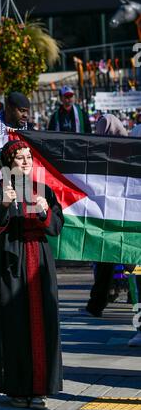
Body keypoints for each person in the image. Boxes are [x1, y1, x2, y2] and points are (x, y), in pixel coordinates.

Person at [0, 139, 64, 409]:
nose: (26, 161)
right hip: (11, 263)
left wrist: (44, 211)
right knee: (15, 326)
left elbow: (55, 228)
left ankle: (40, 389)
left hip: (39, 263)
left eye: (28, 156)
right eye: (20, 158)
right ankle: (17, 388)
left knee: (42, 325)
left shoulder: (44, 190)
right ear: (9, 163)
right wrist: (4, 206)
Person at [86, 114, 128, 318]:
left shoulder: (125, 151)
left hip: (115, 215)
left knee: (112, 260)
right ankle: (99, 301)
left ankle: (98, 302)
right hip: (115, 215)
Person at [0, 91, 34, 156]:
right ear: (9, 108)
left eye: (27, 111)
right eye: (22, 111)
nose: (26, 115)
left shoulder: (30, 132)